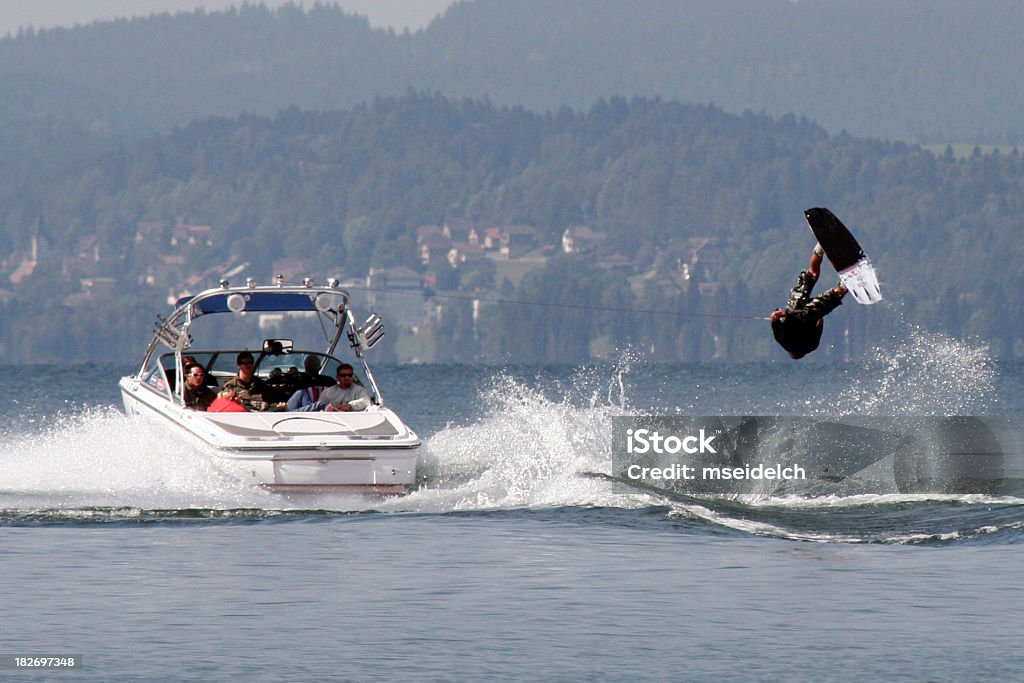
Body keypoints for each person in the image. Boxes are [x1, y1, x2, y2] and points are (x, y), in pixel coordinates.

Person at [770, 244, 847, 359]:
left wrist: (819, 310)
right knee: (812, 273)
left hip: (809, 315)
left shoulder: (811, 346)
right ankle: (820, 248)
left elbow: (820, 322)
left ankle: (846, 283)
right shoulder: (783, 341)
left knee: (837, 294)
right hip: (794, 306)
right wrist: (783, 313)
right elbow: (774, 317)